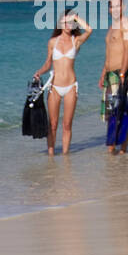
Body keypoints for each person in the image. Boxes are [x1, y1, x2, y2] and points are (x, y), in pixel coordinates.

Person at [33, 9, 93, 156]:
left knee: (67, 125)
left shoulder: (76, 41)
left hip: (71, 86)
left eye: (71, 23)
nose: (68, 25)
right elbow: (48, 64)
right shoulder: (53, 42)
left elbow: (89, 29)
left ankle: (66, 157)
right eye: (65, 22)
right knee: (52, 125)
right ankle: (51, 157)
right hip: (54, 87)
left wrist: (76, 18)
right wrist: (39, 72)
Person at [99, 0, 128, 152]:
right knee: (109, 113)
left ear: (124, 7)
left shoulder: (126, 24)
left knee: (122, 113)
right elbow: (109, 53)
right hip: (109, 75)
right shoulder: (111, 27)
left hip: (120, 74)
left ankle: (122, 150)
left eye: (118, 6)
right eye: (112, 6)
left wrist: (122, 73)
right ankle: (112, 147)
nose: (114, 9)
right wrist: (103, 73)